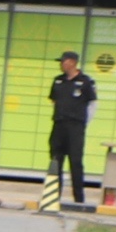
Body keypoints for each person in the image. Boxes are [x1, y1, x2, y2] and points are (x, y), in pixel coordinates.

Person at [46, 45, 99, 208]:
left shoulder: (85, 81)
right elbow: (55, 100)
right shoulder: (58, 80)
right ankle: (52, 196)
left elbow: (92, 104)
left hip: (75, 127)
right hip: (59, 124)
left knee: (75, 162)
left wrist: (82, 122)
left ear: (73, 63)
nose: (62, 64)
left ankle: (79, 198)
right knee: (56, 160)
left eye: (64, 61)